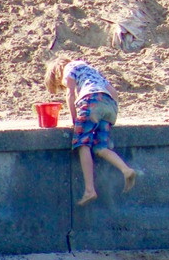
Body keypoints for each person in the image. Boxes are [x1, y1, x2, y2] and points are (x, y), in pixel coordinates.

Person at [45, 57, 137, 206]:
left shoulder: (69, 68)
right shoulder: (91, 70)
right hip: (108, 105)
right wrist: (112, 114)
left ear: (58, 71)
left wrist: (75, 120)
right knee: (100, 147)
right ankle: (126, 170)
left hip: (90, 102)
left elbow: (70, 95)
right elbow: (114, 92)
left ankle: (89, 189)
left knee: (82, 144)